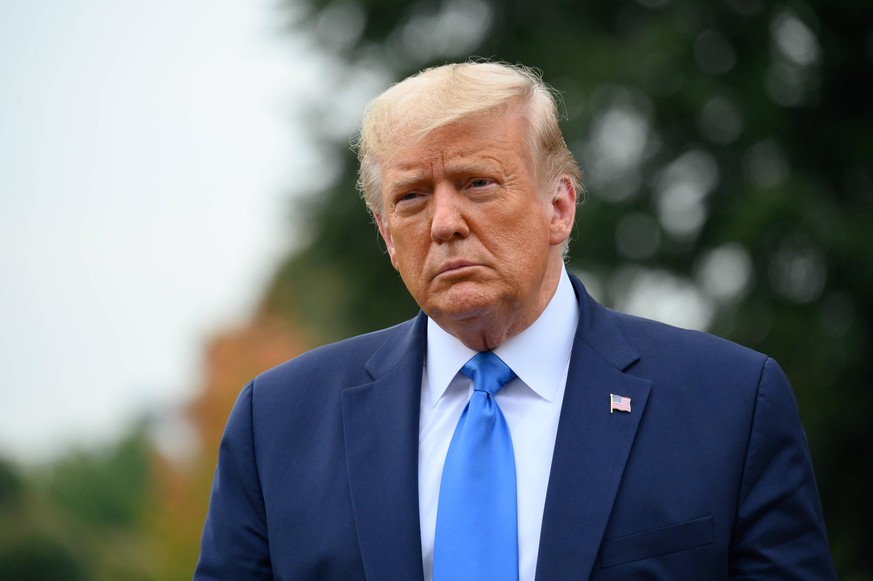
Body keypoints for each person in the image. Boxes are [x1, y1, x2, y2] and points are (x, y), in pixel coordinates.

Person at [194, 61, 836, 580]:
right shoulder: (276, 425)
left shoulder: (730, 405)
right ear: (389, 236)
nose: (444, 222)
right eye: (412, 197)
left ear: (559, 207)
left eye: (477, 183)